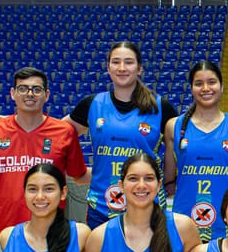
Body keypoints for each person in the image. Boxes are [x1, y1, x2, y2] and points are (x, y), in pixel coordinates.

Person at [63, 41, 178, 229]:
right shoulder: (92, 104)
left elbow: (186, 148)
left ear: (139, 68)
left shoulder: (160, 108)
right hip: (100, 208)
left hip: (148, 207)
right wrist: (8, 121)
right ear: (108, 68)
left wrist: (170, 180)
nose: (122, 68)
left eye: (129, 62)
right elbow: (55, 133)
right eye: (116, 62)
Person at [0, 67, 89, 234]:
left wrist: (114, 173)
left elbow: (79, 175)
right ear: (13, 93)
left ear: (47, 95)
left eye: (37, 89)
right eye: (23, 89)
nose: (29, 94)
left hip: (51, 232)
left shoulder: (65, 132)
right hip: (3, 229)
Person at [164, 60, 228, 243]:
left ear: (222, 87)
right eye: (198, 83)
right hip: (185, 219)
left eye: (212, 82)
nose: (206, 88)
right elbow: (169, 180)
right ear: (191, 89)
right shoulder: (174, 126)